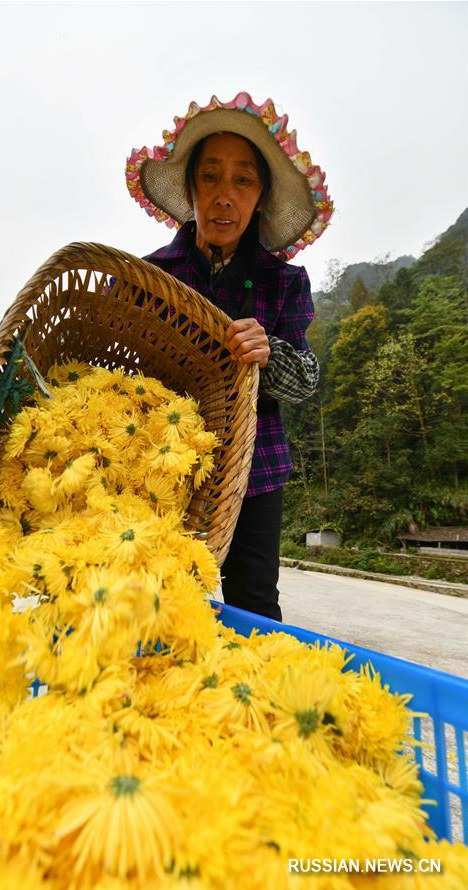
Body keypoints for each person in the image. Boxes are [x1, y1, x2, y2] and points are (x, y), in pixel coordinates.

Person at [126, 91, 333, 621]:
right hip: (165, 468)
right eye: (210, 177)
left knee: (255, 605)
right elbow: (126, 374)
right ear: (191, 190)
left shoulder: (284, 282)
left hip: (255, 469)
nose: (224, 196)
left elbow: (306, 379)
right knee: (164, 602)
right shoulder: (150, 277)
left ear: (260, 196)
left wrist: (271, 353)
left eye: (243, 180)